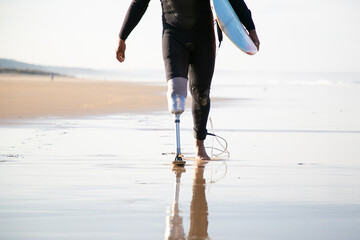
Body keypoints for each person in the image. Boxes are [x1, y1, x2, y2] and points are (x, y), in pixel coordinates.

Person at [116, 0, 259, 160]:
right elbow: (139, 4)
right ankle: (178, 150)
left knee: (202, 94)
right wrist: (122, 37)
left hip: (203, 36)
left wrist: (250, 29)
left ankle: (199, 146)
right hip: (173, 36)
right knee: (176, 92)